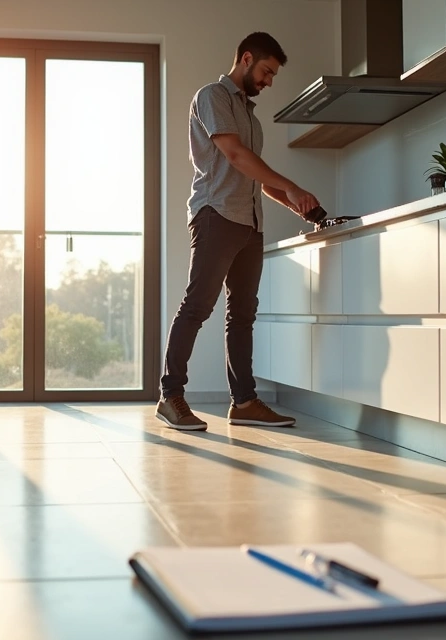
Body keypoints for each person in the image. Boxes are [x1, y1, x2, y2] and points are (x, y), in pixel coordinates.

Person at [156, 32, 322, 431]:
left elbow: (256, 178)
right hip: (216, 214)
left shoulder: (252, 119)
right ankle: (170, 396)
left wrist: (298, 204)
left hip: (250, 223)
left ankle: (244, 402)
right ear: (246, 59)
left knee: (243, 314)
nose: (269, 81)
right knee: (198, 306)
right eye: (266, 71)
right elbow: (234, 155)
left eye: (273, 75)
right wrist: (292, 185)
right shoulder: (212, 96)